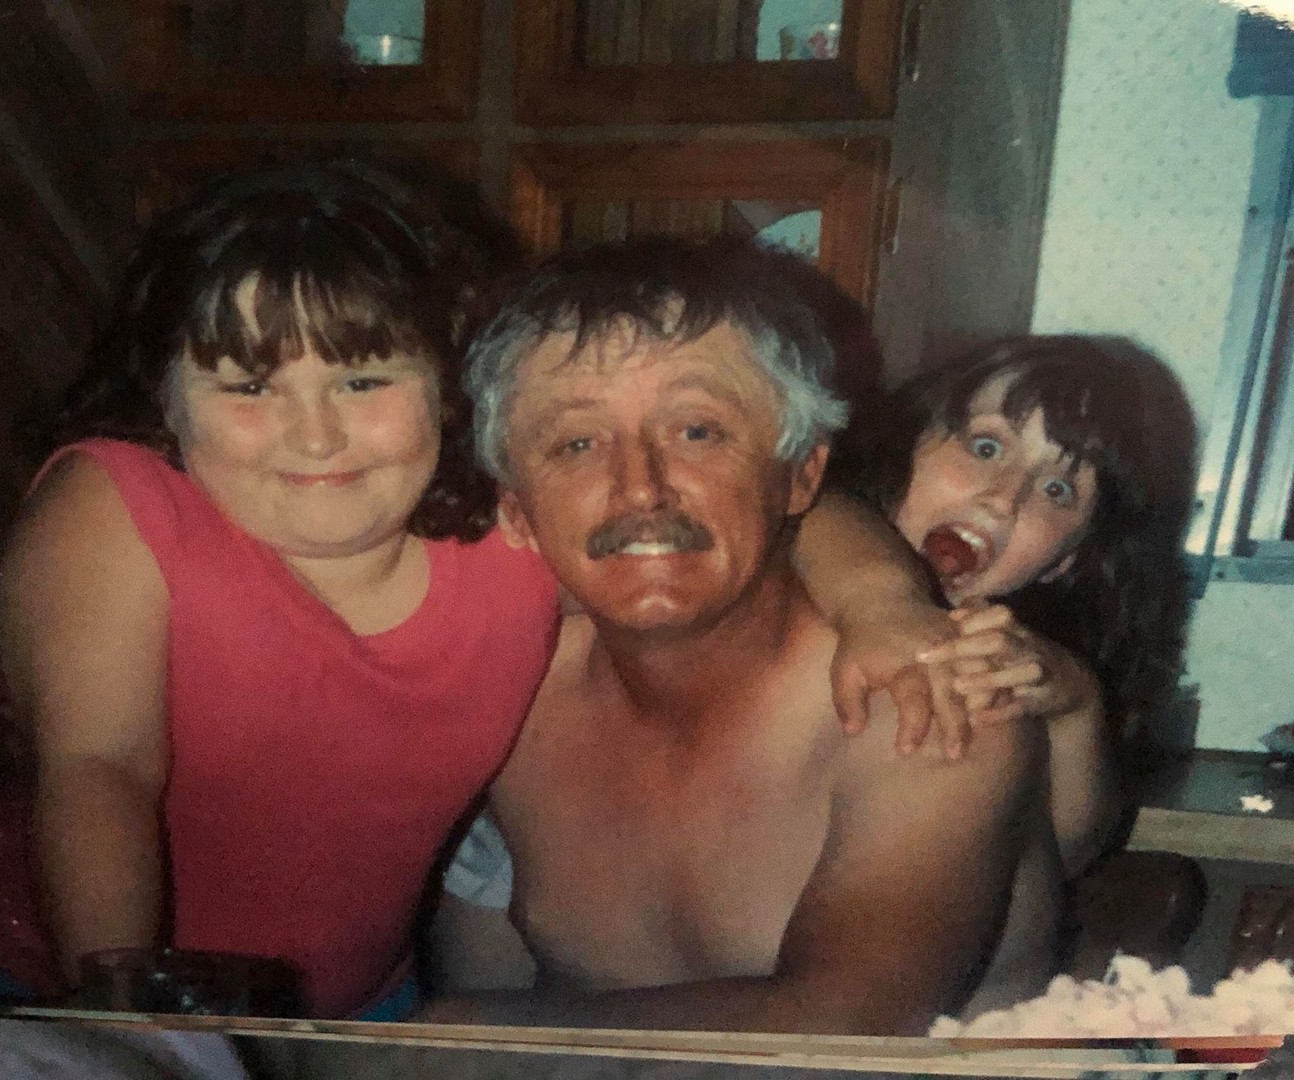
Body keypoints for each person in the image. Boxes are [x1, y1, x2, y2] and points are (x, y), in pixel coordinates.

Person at [0, 163, 970, 1020]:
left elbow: (756, 508)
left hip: (362, 1013)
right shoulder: (117, 506)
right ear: (165, 398)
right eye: (249, 386)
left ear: (445, 381)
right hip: (43, 991)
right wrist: (130, 1026)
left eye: (363, 380)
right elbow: (102, 772)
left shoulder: (506, 529)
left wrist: (888, 606)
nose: (315, 436)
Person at [420, 237, 1062, 1035]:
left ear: (801, 475)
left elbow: (845, 1027)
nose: (640, 488)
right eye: (577, 444)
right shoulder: (514, 692)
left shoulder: (926, 695)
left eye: (698, 431)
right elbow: (481, 995)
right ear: (517, 512)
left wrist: (447, 1037)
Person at [849, 335, 1197, 877]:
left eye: (1057, 489)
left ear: (1066, 559)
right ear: (907, 445)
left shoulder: (1008, 676)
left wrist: (1078, 706)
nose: (1003, 499)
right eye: (986, 448)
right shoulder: (806, 542)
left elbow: (1063, 856)